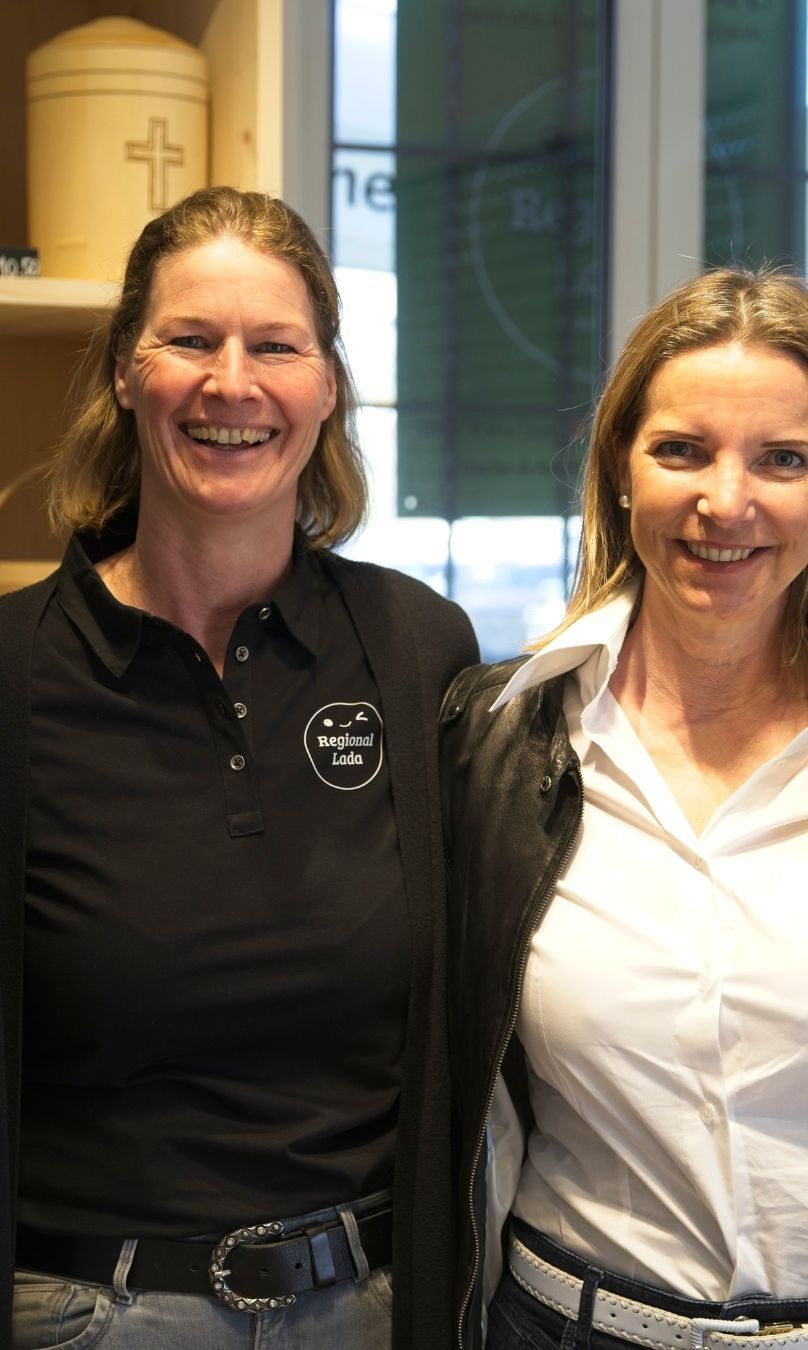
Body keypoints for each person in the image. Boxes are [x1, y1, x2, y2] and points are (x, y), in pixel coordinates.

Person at [0, 185, 478, 1350]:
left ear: (326, 385)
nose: (233, 384)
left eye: (277, 345)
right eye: (189, 340)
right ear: (125, 371)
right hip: (91, 1314)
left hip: (372, 1308)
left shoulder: (419, 651)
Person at [440, 266, 808, 1350]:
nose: (726, 501)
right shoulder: (496, 737)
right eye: (682, 450)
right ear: (618, 469)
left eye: (783, 459)